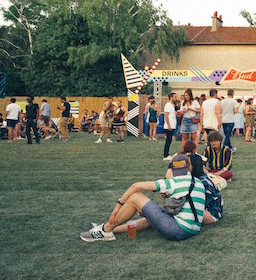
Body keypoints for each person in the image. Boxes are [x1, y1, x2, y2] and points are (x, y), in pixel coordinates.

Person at [80, 140, 210, 242]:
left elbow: (136, 187)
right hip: (193, 229)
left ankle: (104, 230)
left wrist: (117, 207)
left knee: (135, 196)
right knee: (148, 217)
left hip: (177, 230)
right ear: (188, 167)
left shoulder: (173, 182)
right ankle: (110, 228)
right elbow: (182, 204)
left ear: (173, 170)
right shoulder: (197, 182)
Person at [162, 92, 179, 160]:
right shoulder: (168, 105)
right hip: (169, 126)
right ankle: (165, 155)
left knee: (169, 140)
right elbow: (166, 115)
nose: (176, 98)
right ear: (171, 97)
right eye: (175, 97)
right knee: (168, 140)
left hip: (172, 125)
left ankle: (167, 154)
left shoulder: (173, 105)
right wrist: (168, 125)